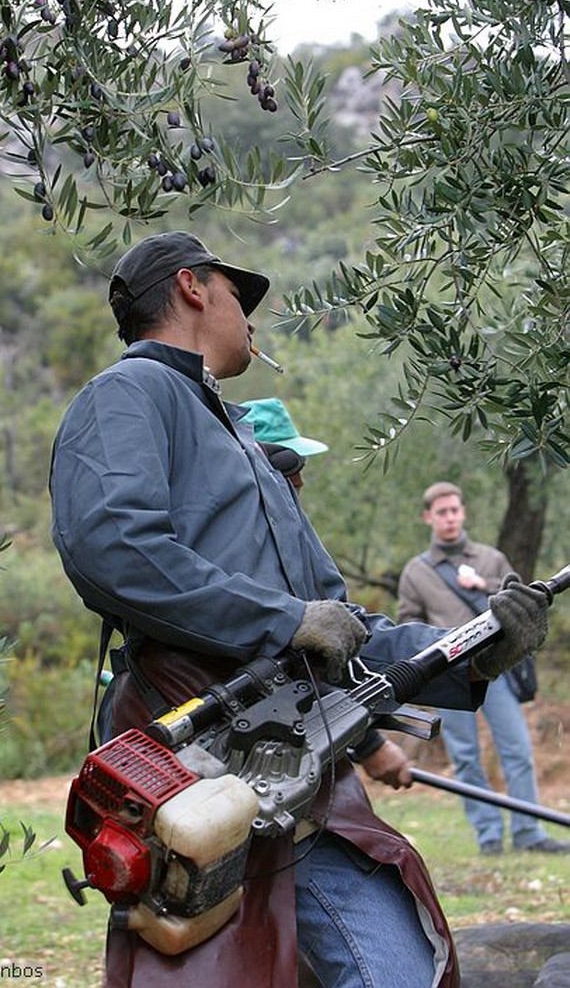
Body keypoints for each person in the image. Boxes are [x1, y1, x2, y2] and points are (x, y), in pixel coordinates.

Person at [49, 231, 551, 988]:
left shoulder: (245, 440)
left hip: (305, 775)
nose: (249, 318)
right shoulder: (129, 393)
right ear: (192, 288)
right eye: (235, 295)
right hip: (201, 766)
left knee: (401, 968)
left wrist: (475, 647)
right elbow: (115, 548)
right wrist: (280, 621)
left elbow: (341, 629)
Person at [241, 395, 414, 793]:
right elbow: (295, 663)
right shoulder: (242, 551)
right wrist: (370, 744)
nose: (300, 480)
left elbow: (347, 636)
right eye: (290, 466)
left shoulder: (296, 540)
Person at [397, 480, 569, 856]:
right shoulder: (416, 572)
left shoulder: (491, 559)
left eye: (455, 510)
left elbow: (522, 603)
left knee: (517, 749)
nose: (449, 518)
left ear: (464, 512)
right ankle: (489, 836)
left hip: (495, 669)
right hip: (448, 675)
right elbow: (406, 623)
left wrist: (483, 584)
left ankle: (528, 831)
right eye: (441, 512)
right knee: (466, 757)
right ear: (429, 517)